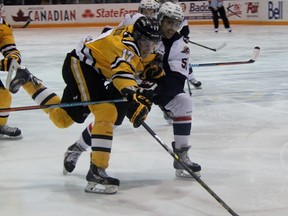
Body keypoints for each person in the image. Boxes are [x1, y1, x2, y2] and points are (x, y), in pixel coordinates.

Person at [8, 16, 163, 194]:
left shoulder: (140, 40)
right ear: (137, 36)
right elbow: (122, 74)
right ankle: (97, 170)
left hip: (95, 70)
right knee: (106, 111)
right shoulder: (124, 46)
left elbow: (136, 65)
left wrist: (146, 74)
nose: (149, 48)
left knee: (62, 119)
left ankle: (28, 81)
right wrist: (133, 95)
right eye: (146, 43)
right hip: (81, 65)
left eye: (154, 44)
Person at [64, 2, 201, 179]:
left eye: (176, 24)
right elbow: (112, 35)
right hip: (126, 80)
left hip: (155, 87)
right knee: (110, 118)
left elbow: (176, 82)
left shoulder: (179, 46)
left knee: (183, 102)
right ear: (160, 19)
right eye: (169, 22)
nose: (172, 28)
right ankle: (77, 148)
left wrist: (150, 91)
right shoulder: (140, 25)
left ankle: (181, 155)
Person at [0, 18, 22, 139]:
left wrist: (13, 58)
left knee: (3, 95)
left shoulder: (3, 27)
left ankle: (0, 125)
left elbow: (10, 49)